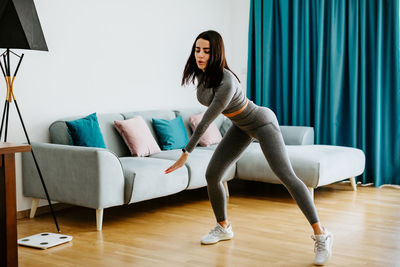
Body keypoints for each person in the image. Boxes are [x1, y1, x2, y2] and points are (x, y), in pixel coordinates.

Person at [165, 30, 333, 266]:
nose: (200, 55)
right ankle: (223, 227)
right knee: (212, 174)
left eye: (207, 51)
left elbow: (206, 120)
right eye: (197, 49)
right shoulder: (203, 78)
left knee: (286, 175)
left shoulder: (227, 81)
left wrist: (186, 152)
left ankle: (321, 233)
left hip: (262, 122)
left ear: (217, 54)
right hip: (241, 126)